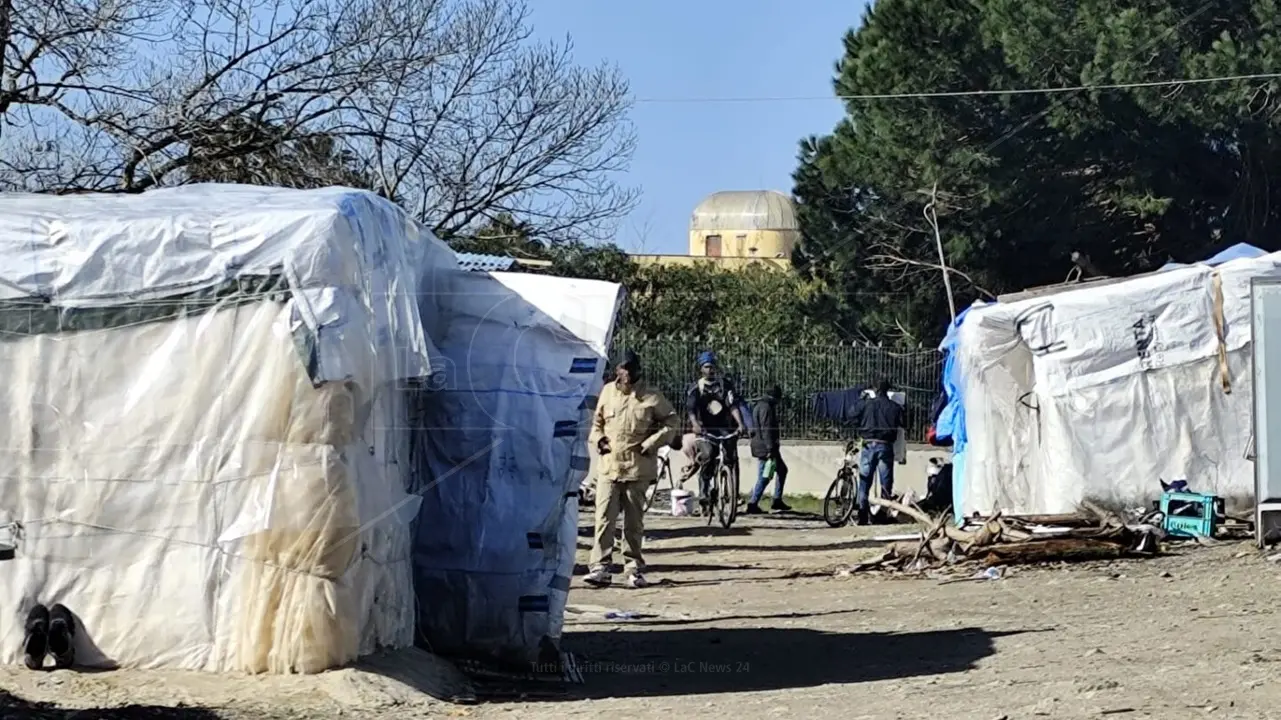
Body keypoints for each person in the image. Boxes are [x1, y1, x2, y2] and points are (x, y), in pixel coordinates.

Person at [585, 350, 679, 589]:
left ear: (637, 370)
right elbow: (596, 423)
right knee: (604, 518)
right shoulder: (608, 392)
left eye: (629, 369)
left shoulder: (651, 396)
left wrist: (651, 443)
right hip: (609, 467)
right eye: (621, 368)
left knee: (633, 522)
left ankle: (633, 567)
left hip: (637, 469)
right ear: (616, 370)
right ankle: (600, 567)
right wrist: (599, 440)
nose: (625, 373)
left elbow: (672, 422)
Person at [684, 351, 746, 511]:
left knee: (731, 458)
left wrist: (740, 424)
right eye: (706, 367)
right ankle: (704, 491)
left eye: (712, 366)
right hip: (705, 430)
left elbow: (733, 406)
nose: (710, 370)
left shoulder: (725, 385)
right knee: (709, 455)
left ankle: (732, 493)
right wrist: (695, 424)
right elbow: (691, 409)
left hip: (725, 429)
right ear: (701, 369)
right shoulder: (696, 388)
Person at [854, 378, 905, 525]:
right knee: (885, 483)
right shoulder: (894, 407)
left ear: (874, 390)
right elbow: (905, 422)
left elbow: (851, 415)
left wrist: (860, 400)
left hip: (868, 445)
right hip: (885, 445)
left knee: (864, 481)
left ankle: (862, 515)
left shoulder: (865, 405)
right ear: (888, 391)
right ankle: (882, 514)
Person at [747, 385, 790, 514]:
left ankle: (777, 500)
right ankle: (753, 503)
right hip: (765, 447)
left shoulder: (760, 406)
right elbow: (767, 429)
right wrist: (770, 448)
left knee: (781, 470)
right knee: (764, 476)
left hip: (762, 445)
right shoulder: (766, 408)